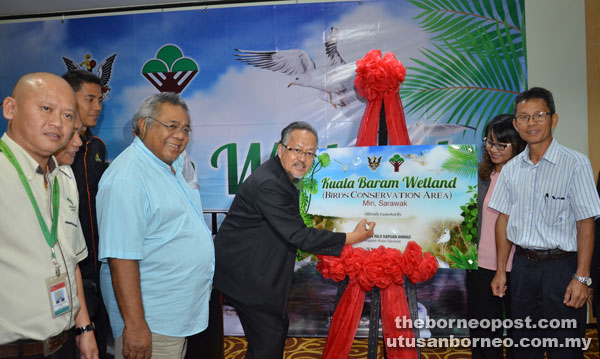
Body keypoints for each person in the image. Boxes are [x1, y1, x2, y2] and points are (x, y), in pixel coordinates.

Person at [213, 121, 376, 359]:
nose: (303, 158)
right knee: (270, 339)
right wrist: (353, 237)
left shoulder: (279, 176)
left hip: (256, 271)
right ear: (281, 149)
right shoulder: (270, 183)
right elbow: (300, 236)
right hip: (246, 277)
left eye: (310, 153)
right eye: (296, 150)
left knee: (273, 335)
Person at [97, 92, 214, 359]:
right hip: (150, 323)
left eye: (185, 129)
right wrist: (136, 327)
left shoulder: (168, 165)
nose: (180, 135)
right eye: (171, 126)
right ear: (142, 125)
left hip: (171, 317)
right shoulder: (127, 179)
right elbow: (121, 259)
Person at [489, 87, 600, 359]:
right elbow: (503, 219)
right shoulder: (512, 169)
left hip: (562, 271)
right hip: (524, 269)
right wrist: (502, 271)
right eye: (524, 117)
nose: (532, 123)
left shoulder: (575, 164)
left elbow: (586, 222)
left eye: (539, 115)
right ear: (516, 124)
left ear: (554, 119)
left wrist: (582, 277)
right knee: (524, 348)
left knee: (565, 350)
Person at [0, 72, 98, 358]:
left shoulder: (62, 178)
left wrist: (84, 328)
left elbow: (71, 260)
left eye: (68, 115)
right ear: (10, 109)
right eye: (46, 109)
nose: (58, 122)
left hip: (61, 344)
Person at [467, 114, 525, 359]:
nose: (492, 149)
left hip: (519, 268)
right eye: (489, 142)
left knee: (519, 335)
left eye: (501, 144)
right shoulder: (480, 178)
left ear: (518, 144)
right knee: (483, 334)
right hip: (480, 267)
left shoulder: (526, 179)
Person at [61, 70, 109, 358]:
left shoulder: (98, 147)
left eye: (100, 100)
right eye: (90, 99)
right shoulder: (53, 148)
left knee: (97, 343)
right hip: (66, 268)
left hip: (97, 265)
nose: (98, 107)